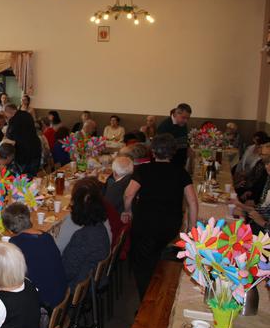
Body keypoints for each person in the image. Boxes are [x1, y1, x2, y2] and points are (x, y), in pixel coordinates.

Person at [122, 133, 198, 298]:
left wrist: (127, 211)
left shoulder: (143, 169)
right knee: (156, 254)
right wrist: (192, 228)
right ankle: (157, 292)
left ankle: (146, 300)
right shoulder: (181, 172)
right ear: (173, 152)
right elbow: (192, 202)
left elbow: (129, 195)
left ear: (153, 151)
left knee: (142, 264)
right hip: (169, 226)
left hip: (145, 224)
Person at [4, 203, 67, 309]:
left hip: (44, 303)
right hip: (61, 294)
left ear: (10, 230)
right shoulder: (47, 236)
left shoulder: (16, 243)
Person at [60, 178, 110, 290]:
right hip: (93, 282)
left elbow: (65, 272)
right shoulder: (100, 227)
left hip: (77, 290)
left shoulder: (82, 237)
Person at [4, 104, 42, 176]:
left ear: (8, 112)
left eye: (6, 115)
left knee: (24, 178)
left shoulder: (13, 120)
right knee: (33, 175)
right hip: (36, 148)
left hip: (23, 154)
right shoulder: (27, 114)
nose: (7, 117)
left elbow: (9, 137)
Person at [156, 103, 192, 167]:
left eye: (188, 118)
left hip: (181, 160)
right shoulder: (164, 126)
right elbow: (160, 149)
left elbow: (185, 137)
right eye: (184, 118)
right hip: (171, 163)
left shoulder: (182, 123)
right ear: (176, 114)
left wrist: (188, 147)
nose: (186, 121)